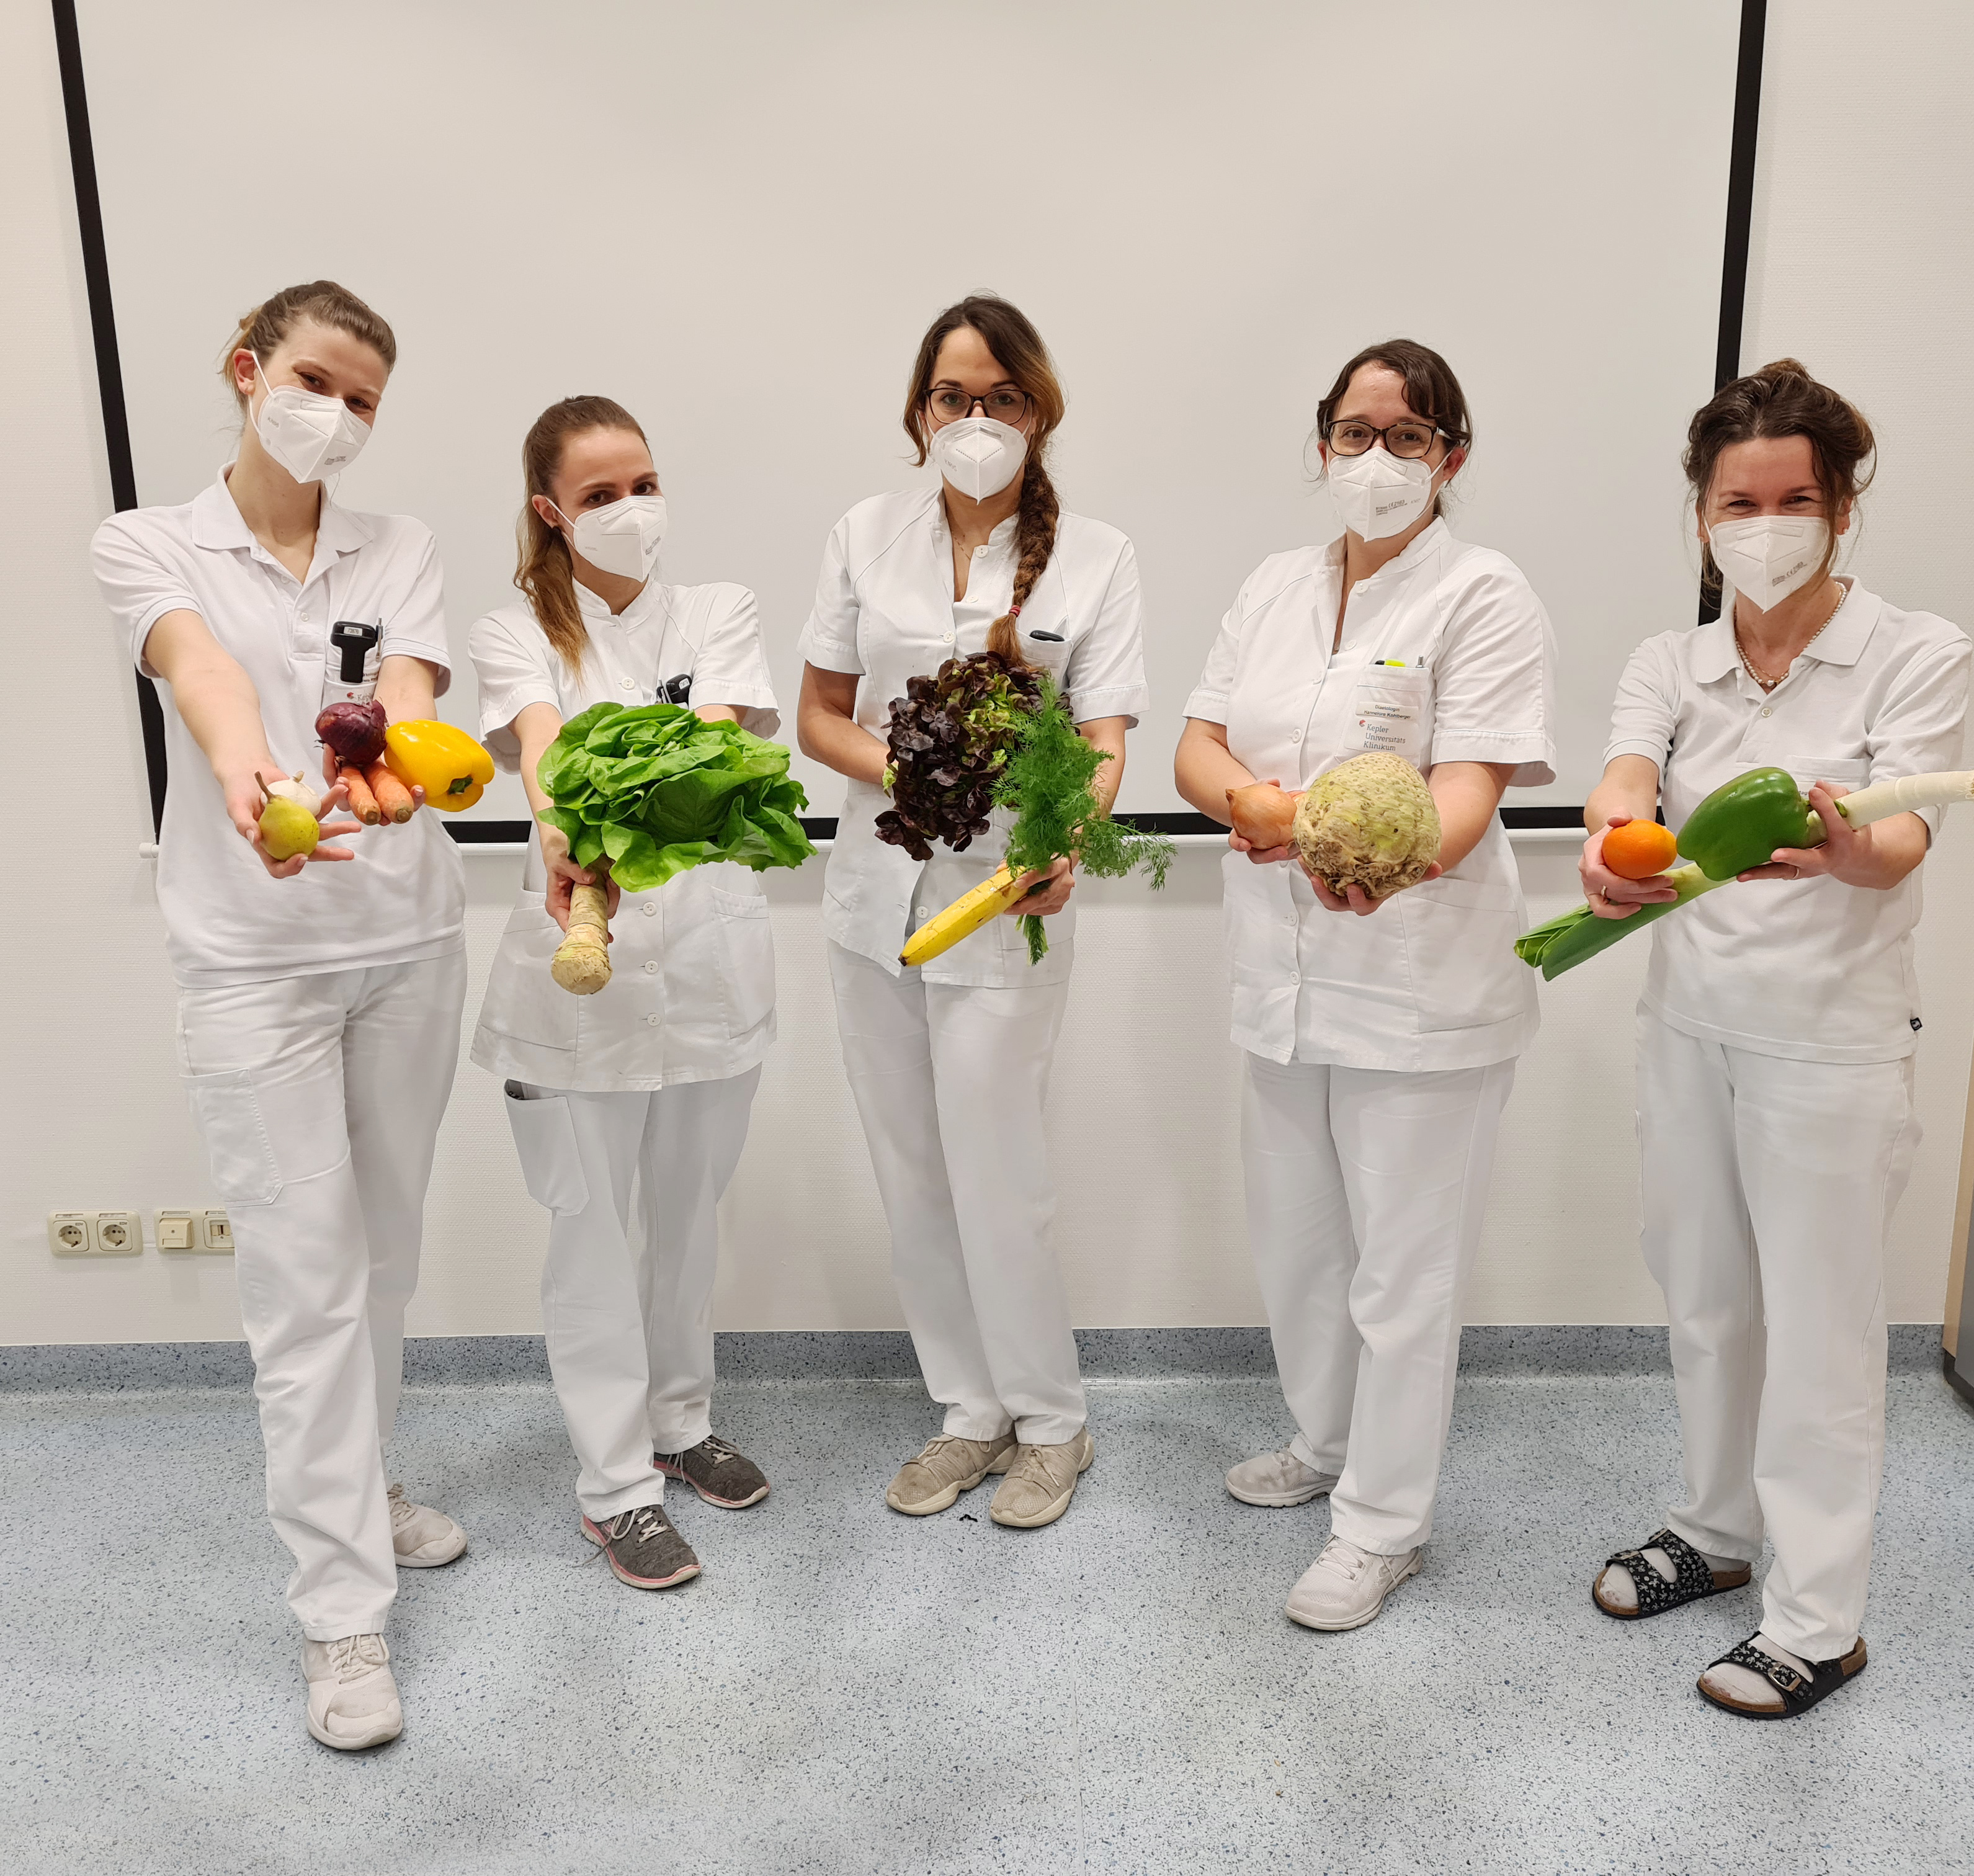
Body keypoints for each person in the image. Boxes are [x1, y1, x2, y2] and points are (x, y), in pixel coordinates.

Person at [91, 282, 468, 1751]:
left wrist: (393, 769)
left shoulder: (404, 546)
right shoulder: (151, 542)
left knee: (382, 1259)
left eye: (367, 399)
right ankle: (339, 1620)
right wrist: (256, 784)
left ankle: (364, 1488)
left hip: (407, 945)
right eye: (320, 380)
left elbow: (416, 695)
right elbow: (200, 671)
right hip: (256, 966)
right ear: (249, 371)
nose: (341, 415)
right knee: (303, 1287)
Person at [1580, 359, 1967, 1718]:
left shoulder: (1915, 650)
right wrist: (1609, 837)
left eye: (1796, 497)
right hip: (1690, 1022)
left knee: (1819, 1332)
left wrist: (1849, 841)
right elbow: (1629, 771)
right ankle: (1718, 1531)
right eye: (1739, 499)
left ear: (1841, 507)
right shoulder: (1670, 659)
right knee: (1709, 1302)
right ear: (1702, 513)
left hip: (1827, 1043)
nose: (1766, 521)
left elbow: (1905, 836)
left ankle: (1819, 1620)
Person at [1175, 339, 1556, 1631]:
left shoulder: (1486, 594)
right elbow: (1199, 739)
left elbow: (1469, 787)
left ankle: (1381, 1526)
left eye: (1408, 435)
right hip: (1282, 972)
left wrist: (1374, 863)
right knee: (1298, 1243)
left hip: (1417, 983)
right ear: (1322, 446)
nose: (1378, 460)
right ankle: (1327, 1444)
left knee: (1404, 1271)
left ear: (1452, 454)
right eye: (1354, 433)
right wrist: (1251, 803)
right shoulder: (1275, 586)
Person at [796, 295, 1148, 1530]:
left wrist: (1068, 835)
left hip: (1007, 895)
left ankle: (1052, 1422)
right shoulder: (861, 533)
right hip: (873, 895)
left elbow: (1105, 740)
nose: (977, 419)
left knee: (997, 1167)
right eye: (955, 397)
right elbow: (819, 714)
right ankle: (967, 1411)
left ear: (1038, 411)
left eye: (1002, 398)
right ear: (920, 412)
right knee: (912, 1166)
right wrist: (912, 770)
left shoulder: (1097, 555)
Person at [470, 397, 780, 1592]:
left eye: (643, 484)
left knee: (686, 1221)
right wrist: (566, 824)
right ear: (551, 511)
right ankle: (614, 1487)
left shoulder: (721, 612)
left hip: (706, 966)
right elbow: (549, 754)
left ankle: (679, 1423)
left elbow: (713, 750)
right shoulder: (514, 632)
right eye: (600, 495)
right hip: (578, 980)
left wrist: (615, 802)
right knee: (592, 1239)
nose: (630, 511)